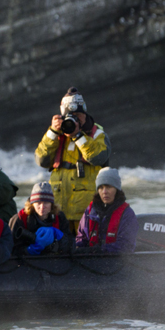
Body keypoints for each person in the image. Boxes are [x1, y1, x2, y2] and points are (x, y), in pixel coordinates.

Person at [35, 87, 111, 229]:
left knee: (85, 248)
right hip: (58, 212)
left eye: (77, 115)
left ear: (85, 113)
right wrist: (52, 133)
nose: (74, 119)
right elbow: (41, 160)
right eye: (70, 115)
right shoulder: (56, 135)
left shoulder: (97, 134)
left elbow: (97, 157)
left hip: (86, 214)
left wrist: (78, 136)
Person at [75, 168, 137, 253]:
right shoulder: (90, 211)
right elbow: (81, 238)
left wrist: (101, 250)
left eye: (108, 187)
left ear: (116, 189)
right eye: (101, 187)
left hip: (116, 262)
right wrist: (79, 248)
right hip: (91, 260)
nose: (104, 191)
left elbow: (126, 246)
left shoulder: (127, 213)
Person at [9, 182, 73, 256]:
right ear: (32, 204)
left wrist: (60, 237)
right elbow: (9, 250)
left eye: (46, 202)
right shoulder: (19, 219)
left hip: (53, 260)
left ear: (52, 204)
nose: (42, 207)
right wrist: (27, 250)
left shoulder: (59, 217)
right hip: (27, 262)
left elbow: (72, 246)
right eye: (38, 203)